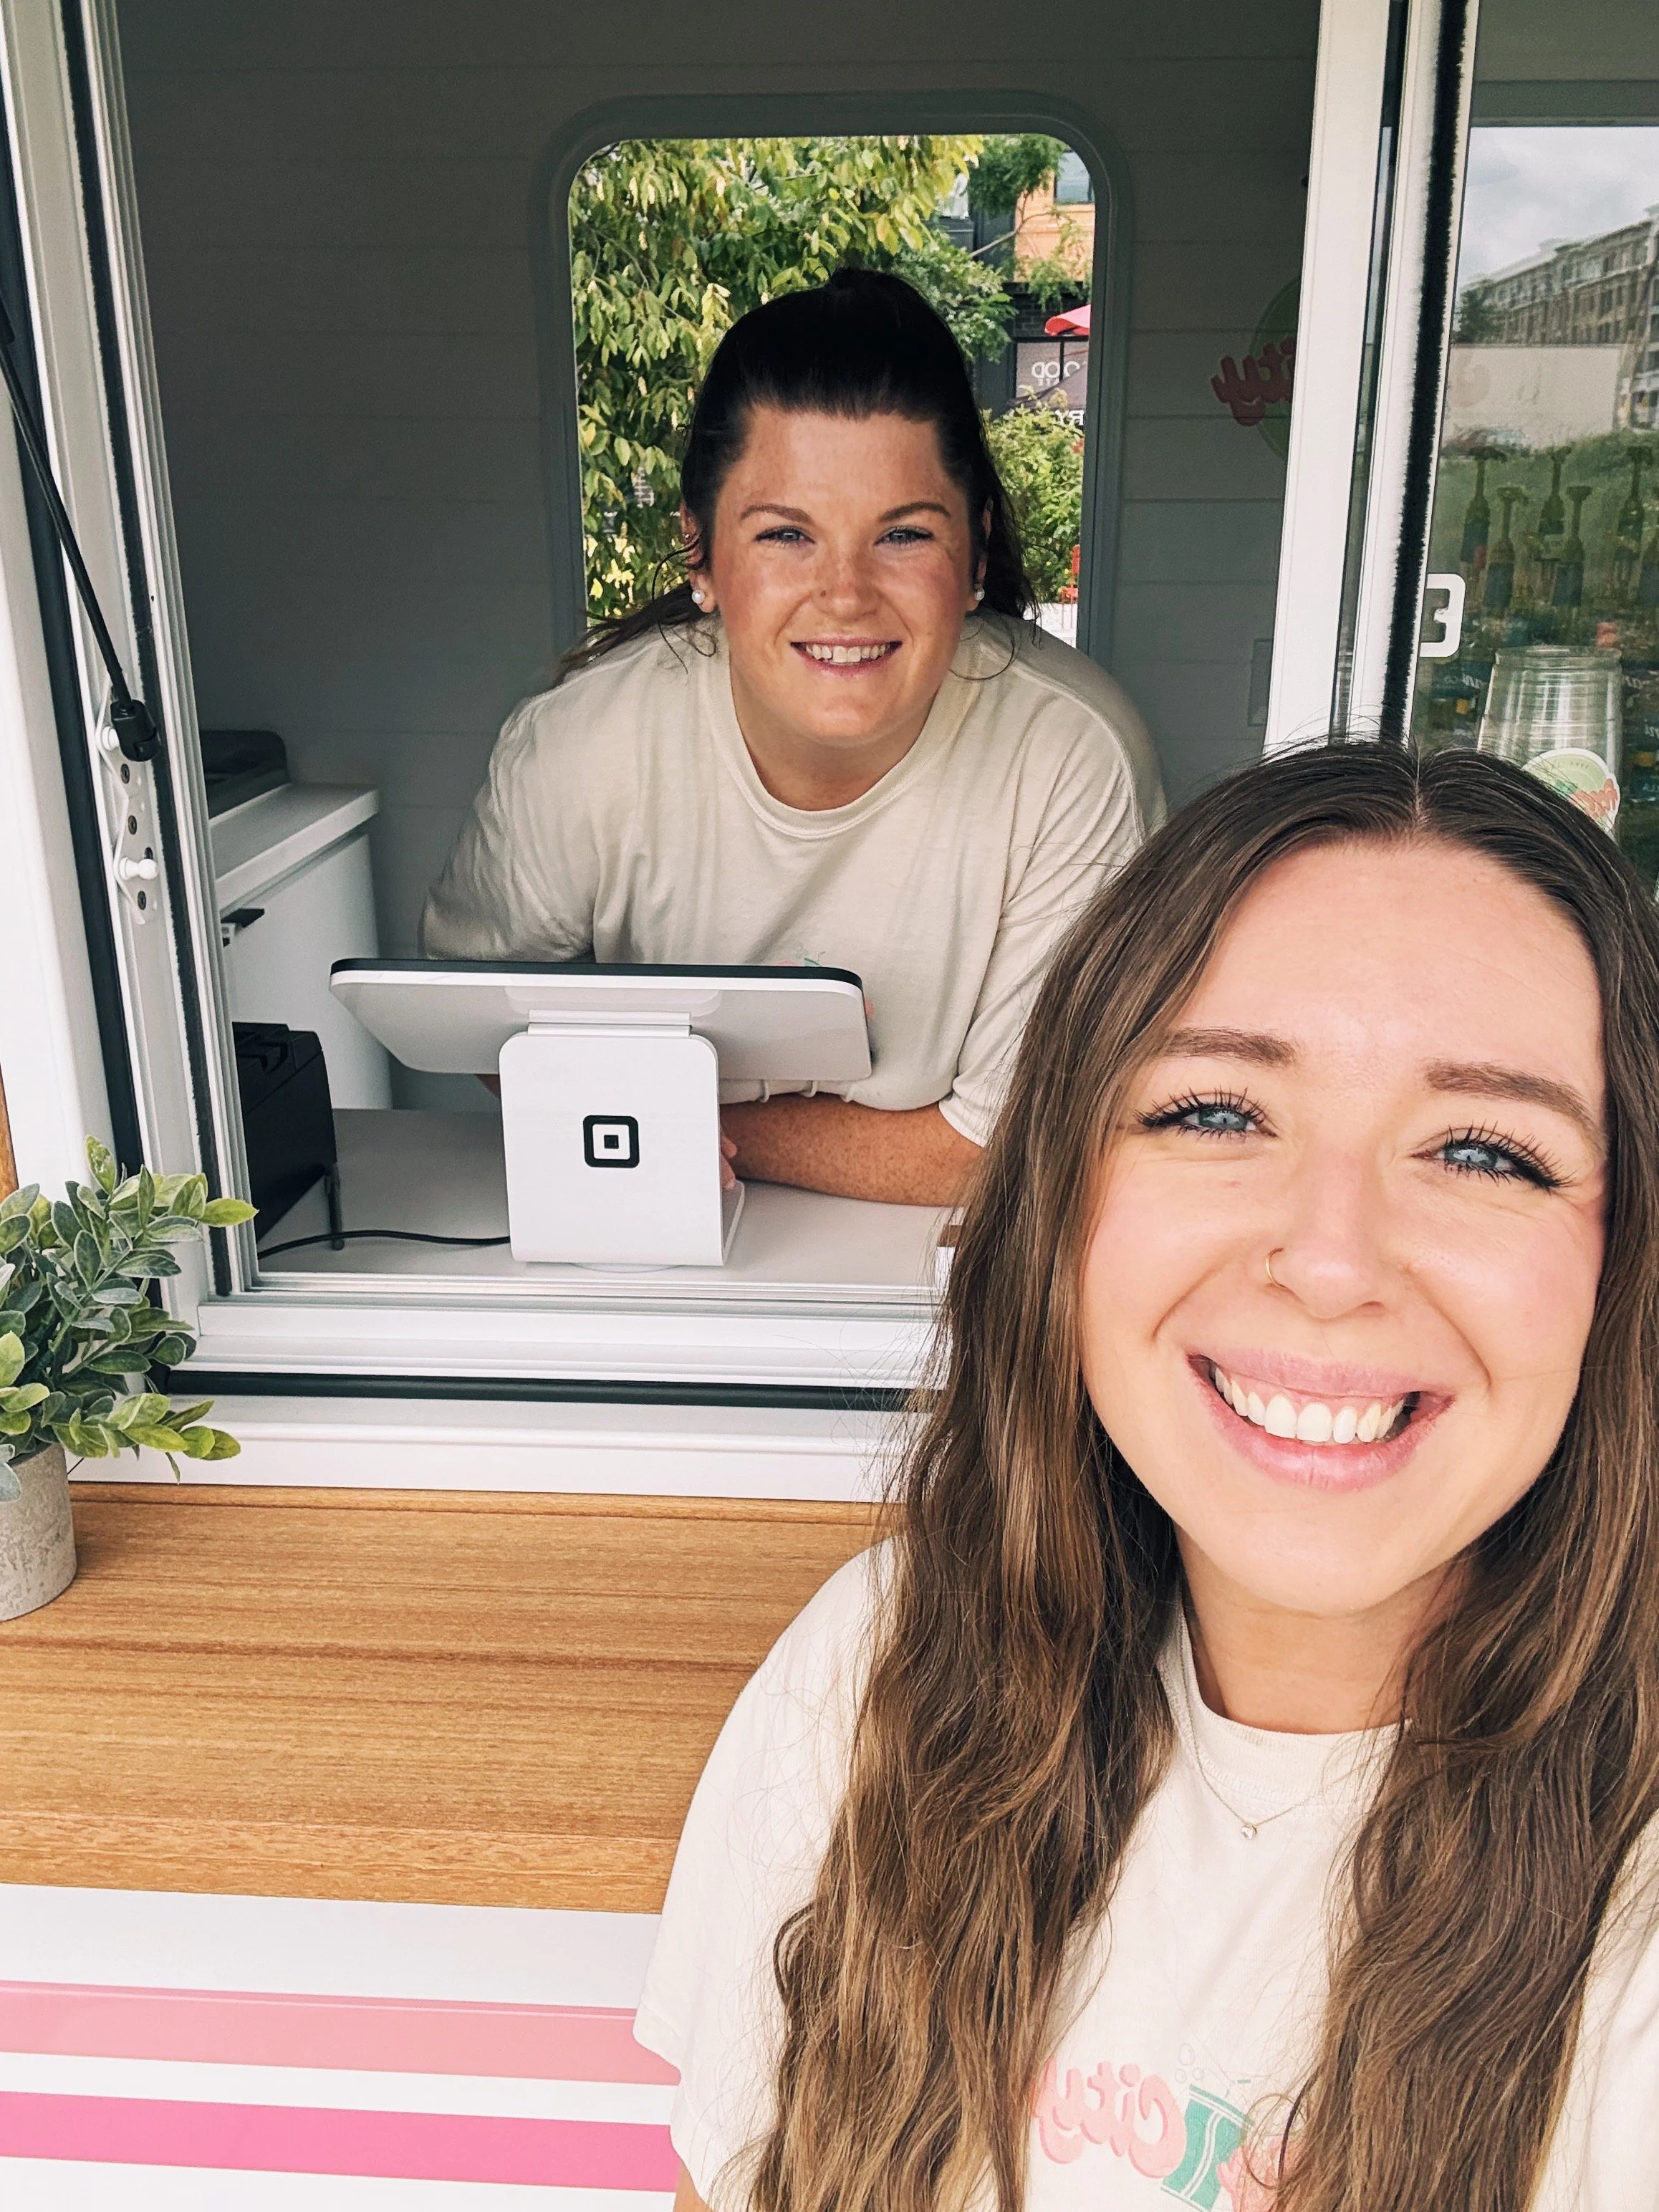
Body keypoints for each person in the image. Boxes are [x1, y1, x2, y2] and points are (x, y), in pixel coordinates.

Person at [634, 740, 1659, 2212]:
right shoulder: (882, 1657)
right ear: (1064, 1198)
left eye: (1486, 1149)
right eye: (1217, 1112)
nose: (1329, 1258)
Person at [421, 269, 1162, 1207]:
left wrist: (683, 1122)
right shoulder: (583, 745)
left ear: (975, 554)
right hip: (644, 1226)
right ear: (701, 552)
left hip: (940, 1277)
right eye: (785, 535)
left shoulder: (1071, 756)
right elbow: (470, 1012)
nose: (845, 593)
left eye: (902, 536)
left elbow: (1007, 1152)